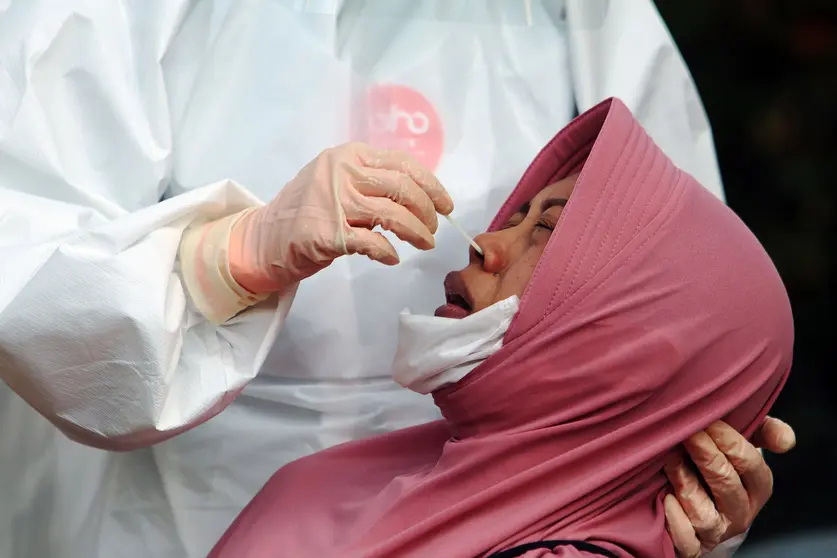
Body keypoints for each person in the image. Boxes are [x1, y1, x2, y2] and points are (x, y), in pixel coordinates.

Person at [0, 2, 794, 557]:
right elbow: (25, 269)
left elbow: (688, 301)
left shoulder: (582, 15)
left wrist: (668, 476)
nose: (483, 244)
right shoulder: (103, 15)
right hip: (151, 515)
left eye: (534, 225)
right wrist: (227, 258)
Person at [207, 98, 793, 558]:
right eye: (516, 216)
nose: (486, 243)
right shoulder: (343, 483)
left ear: (634, 343)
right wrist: (220, 259)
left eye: (546, 231)